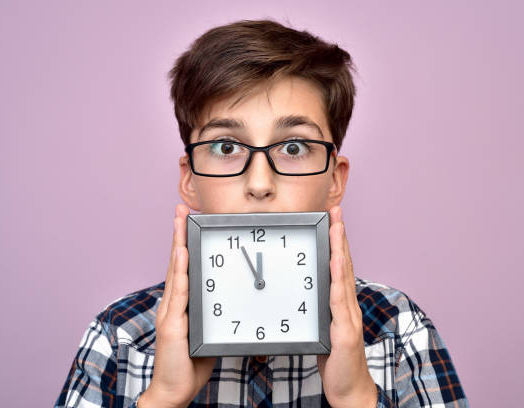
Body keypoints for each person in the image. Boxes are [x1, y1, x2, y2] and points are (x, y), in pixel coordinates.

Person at [55, 19, 469, 408]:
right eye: (226, 146)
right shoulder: (121, 338)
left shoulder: (397, 331)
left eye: (292, 148)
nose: (259, 182)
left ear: (334, 180)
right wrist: (162, 397)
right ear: (189, 180)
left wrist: (358, 397)